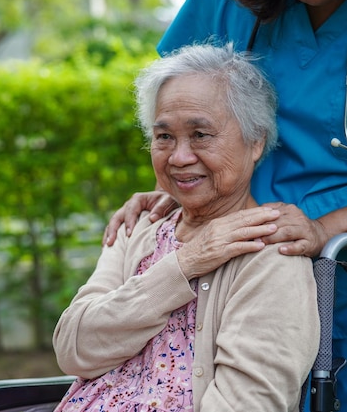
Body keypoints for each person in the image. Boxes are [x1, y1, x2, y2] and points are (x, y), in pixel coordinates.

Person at [102, 0, 347, 411]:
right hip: (245, 274)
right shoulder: (225, 2)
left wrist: (322, 230)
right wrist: (177, 188)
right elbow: (186, 108)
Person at [52, 43, 320, 412]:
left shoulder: (271, 255)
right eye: (164, 137)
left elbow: (246, 404)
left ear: (255, 142)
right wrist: (184, 263)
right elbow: (73, 349)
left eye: (201, 135)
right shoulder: (140, 226)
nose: (179, 157)